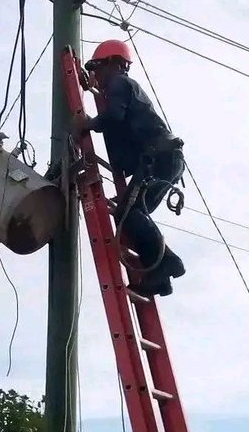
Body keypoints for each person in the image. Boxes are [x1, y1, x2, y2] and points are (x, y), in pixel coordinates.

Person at [74, 39, 185, 297]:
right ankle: (159, 279)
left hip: (159, 157)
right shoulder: (121, 88)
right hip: (164, 157)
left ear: (114, 64)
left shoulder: (119, 83)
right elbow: (120, 130)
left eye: (98, 67)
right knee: (133, 214)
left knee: (128, 213)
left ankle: (169, 262)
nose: (96, 75)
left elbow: (113, 116)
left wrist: (86, 124)